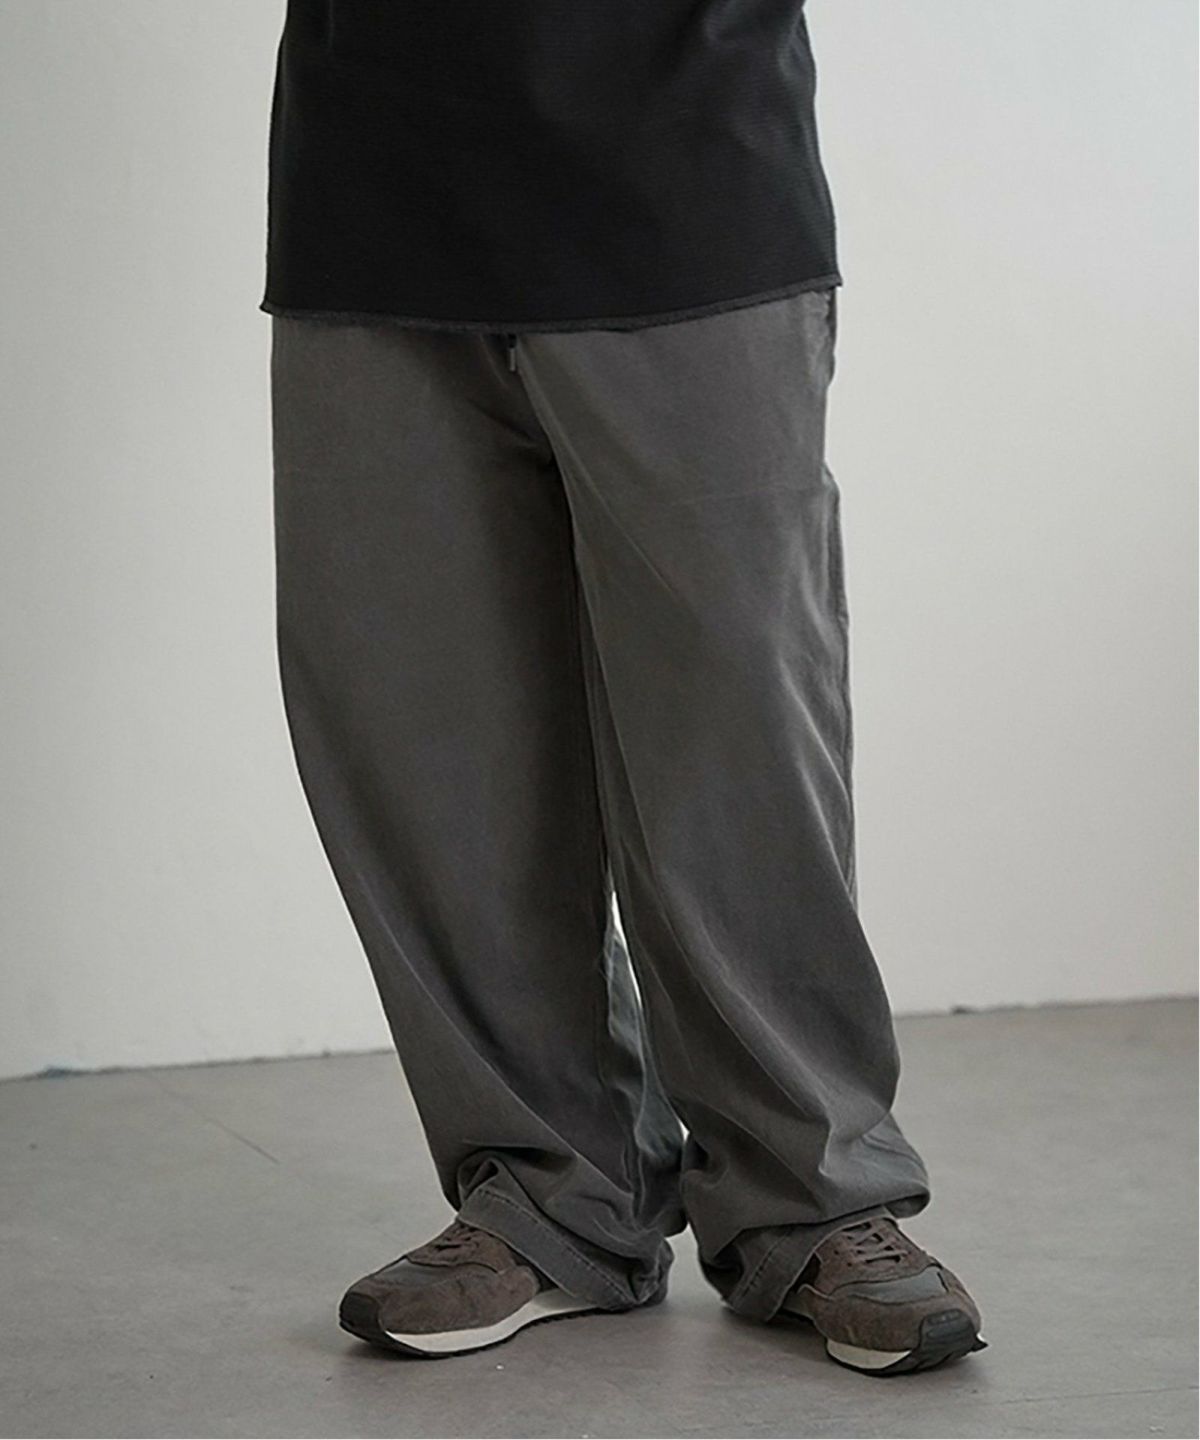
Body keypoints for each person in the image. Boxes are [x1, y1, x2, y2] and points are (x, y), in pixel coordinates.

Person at [262, 0, 985, 1375]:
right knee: (426, 740)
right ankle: (547, 1201)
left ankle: (814, 1202)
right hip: (371, 185)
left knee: (736, 739)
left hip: (689, 180)